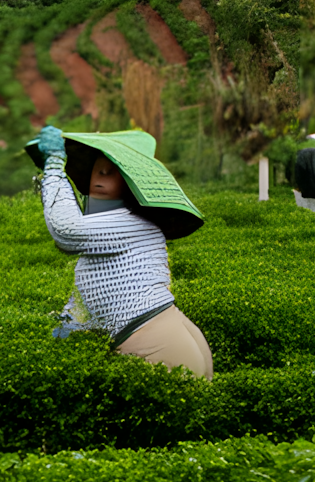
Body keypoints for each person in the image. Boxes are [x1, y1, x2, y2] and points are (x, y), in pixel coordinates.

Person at [33, 122, 213, 378]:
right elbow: (94, 286)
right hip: (163, 333)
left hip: (159, 340)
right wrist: (68, 322)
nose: (102, 173)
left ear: (131, 182)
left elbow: (66, 230)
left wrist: (53, 165)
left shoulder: (130, 223)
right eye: (98, 169)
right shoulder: (109, 229)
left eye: (112, 170)